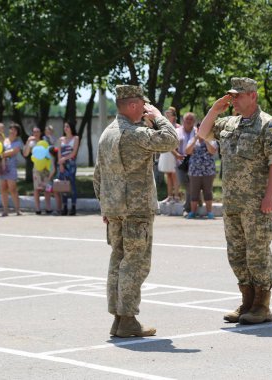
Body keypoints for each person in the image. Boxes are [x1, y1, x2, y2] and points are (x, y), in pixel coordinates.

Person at [198, 77, 272, 325]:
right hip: (232, 204)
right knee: (236, 253)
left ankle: (262, 304)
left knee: (257, 252)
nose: (234, 100)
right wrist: (216, 109)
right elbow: (202, 133)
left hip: (257, 203)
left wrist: (271, 195)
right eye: (232, 95)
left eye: (238, 95)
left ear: (253, 96)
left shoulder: (268, 125)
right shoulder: (229, 123)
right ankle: (247, 301)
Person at [93, 84, 178, 338]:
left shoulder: (108, 133)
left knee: (118, 262)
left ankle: (119, 319)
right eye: (143, 104)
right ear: (132, 105)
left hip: (116, 209)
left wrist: (105, 205)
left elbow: (98, 176)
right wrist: (159, 117)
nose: (146, 108)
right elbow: (171, 140)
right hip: (136, 210)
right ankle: (128, 320)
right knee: (135, 264)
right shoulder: (133, 133)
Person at [23, 127, 59, 215]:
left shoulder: (45, 141)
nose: (36, 133)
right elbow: (25, 154)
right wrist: (27, 142)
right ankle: (37, 208)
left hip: (46, 166)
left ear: (40, 132)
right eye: (34, 132)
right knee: (36, 188)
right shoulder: (31, 143)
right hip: (37, 167)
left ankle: (48, 207)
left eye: (37, 131)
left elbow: (52, 149)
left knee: (47, 188)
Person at [184, 130, 218, 219]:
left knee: (208, 192)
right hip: (194, 171)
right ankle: (193, 212)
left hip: (208, 171)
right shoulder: (192, 140)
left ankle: (209, 212)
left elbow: (212, 151)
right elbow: (187, 151)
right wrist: (195, 139)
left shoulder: (211, 140)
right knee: (194, 192)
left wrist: (206, 140)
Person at [0, 123, 23, 216]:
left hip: (11, 167)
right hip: (1, 166)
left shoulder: (18, 142)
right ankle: (5, 210)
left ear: (17, 133)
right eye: (11, 129)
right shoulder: (4, 140)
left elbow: (13, 151)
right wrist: (0, 154)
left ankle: (17, 209)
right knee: (3, 189)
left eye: (15, 130)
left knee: (12, 189)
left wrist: (1, 154)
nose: (12, 131)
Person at [157, 107, 181, 203]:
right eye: (166, 113)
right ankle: (169, 196)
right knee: (168, 175)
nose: (167, 114)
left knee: (175, 175)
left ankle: (176, 196)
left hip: (175, 152)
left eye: (169, 113)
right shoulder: (164, 126)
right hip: (166, 152)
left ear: (174, 115)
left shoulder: (178, 127)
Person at [176, 112, 197, 213]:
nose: (189, 121)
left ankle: (187, 207)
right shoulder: (177, 131)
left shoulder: (197, 132)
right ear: (183, 121)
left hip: (194, 162)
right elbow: (171, 146)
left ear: (194, 121)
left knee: (190, 184)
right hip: (180, 162)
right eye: (187, 119)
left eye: (191, 119)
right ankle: (197, 198)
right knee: (183, 182)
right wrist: (176, 155)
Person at [57, 121, 79, 215]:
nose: (65, 128)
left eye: (68, 126)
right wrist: (61, 163)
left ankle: (73, 207)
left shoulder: (76, 138)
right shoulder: (61, 139)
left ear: (72, 128)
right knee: (63, 185)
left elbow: (74, 152)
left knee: (72, 185)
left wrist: (64, 159)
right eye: (65, 126)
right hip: (62, 164)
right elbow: (59, 152)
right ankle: (64, 206)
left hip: (71, 164)